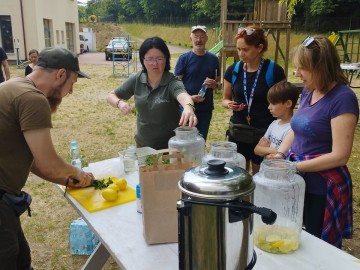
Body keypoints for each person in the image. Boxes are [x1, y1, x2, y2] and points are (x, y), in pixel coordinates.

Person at [0, 47, 94, 269]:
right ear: (60, 74)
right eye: (72, 83)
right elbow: (48, 164)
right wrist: (78, 174)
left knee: (20, 258)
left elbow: (32, 160)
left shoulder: (14, 86)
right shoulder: (33, 99)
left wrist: (69, 179)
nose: (70, 91)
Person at [271, 36, 359, 248]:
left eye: (303, 68)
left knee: (317, 245)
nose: (296, 73)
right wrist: (281, 154)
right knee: (295, 236)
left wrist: (293, 166)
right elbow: (297, 128)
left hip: (322, 188)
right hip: (299, 179)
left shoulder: (343, 98)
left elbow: (340, 155)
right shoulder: (310, 90)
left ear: (321, 67)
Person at [107, 36, 197, 150]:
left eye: (160, 59)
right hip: (143, 145)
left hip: (171, 147)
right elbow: (111, 95)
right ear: (143, 60)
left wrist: (188, 108)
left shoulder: (172, 81)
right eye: (150, 59)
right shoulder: (136, 79)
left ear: (166, 59)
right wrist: (120, 103)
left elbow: (184, 96)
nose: (155, 64)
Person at [222, 26, 286, 174]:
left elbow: (283, 103)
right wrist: (229, 104)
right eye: (238, 49)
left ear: (259, 48)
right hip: (239, 131)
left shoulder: (274, 71)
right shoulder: (233, 70)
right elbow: (225, 99)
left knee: (260, 177)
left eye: (245, 49)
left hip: (264, 133)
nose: (241, 54)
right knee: (240, 177)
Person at [174, 25, 220, 141]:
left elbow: (218, 81)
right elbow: (175, 84)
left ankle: (198, 159)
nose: (199, 40)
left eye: (202, 37)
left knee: (201, 140)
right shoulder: (184, 59)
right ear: (191, 38)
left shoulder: (214, 59)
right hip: (186, 107)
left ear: (206, 38)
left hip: (206, 108)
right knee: (185, 141)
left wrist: (215, 84)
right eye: (196, 36)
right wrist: (189, 98)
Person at [254, 81, 299, 157]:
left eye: (273, 104)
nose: (269, 107)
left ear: (288, 103)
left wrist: (266, 150)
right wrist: (274, 151)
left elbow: (287, 156)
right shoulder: (273, 124)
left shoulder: (293, 129)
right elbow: (257, 150)